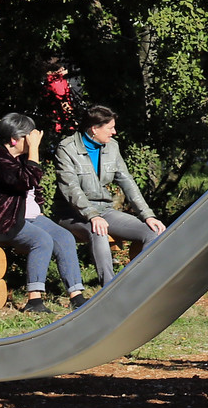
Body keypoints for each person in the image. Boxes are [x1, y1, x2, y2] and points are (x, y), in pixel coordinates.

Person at [0, 113, 88, 312]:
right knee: (41, 240)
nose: (34, 140)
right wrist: (34, 149)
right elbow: (26, 181)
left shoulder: (20, 157)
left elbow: (34, 188)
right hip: (1, 219)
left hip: (28, 216)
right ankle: (34, 300)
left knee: (64, 237)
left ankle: (76, 295)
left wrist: (39, 208)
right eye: (29, 136)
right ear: (14, 139)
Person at [55, 104, 167, 286]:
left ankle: (137, 283)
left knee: (152, 231)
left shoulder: (112, 147)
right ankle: (109, 288)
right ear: (94, 129)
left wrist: (147, 215)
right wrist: (92, 215)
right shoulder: (66, 148)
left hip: (105, 210)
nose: (114, 132)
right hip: (73, 213)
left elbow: (127, 182)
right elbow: (71, 188)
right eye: (110, 128)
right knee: (98, 231)